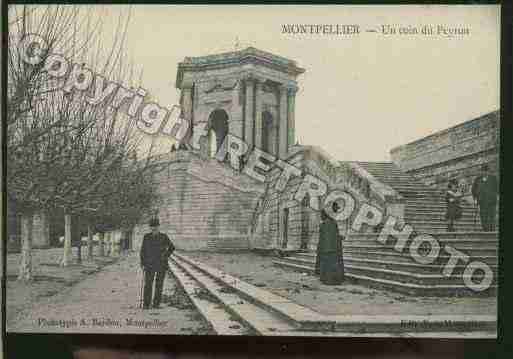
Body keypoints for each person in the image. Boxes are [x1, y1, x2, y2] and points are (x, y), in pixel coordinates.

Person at [140, 217, 175, 309]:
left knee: (159, 285)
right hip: (149, 264)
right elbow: (142, 251)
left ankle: (156, 304)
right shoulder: (146, 237)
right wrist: (143, 263)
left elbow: (172, 247)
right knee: (148, 284)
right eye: (152, 226)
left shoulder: (164, 237)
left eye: (155, 226)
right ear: (150, 227)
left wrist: (165, 256)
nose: (154, 228)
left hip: (161, 264)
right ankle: (146, 304)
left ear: (159, 227)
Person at [317, 202, 344, 285]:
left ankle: (325, 279)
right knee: (332, 265)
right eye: (335, 210)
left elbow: (324, 237)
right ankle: (332, 281)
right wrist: (340, 238)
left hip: (325, 248)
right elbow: (333, 236)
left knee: (326, 264)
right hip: (332, 248)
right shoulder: (332, 223)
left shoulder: (323, 224)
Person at [472, 164, 498, 231]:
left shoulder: (493, 178)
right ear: (481, 171)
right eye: (483, 171)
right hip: (482, 201)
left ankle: (492, 231)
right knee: (483, 216)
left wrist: (495, 196)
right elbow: (473, 190)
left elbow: (497, 189)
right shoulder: (477, 179)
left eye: (486, 171)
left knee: (492, 216)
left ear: (489, 171)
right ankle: (485, 230)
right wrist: (475, 197)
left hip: (492, 201)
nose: (484, 172)